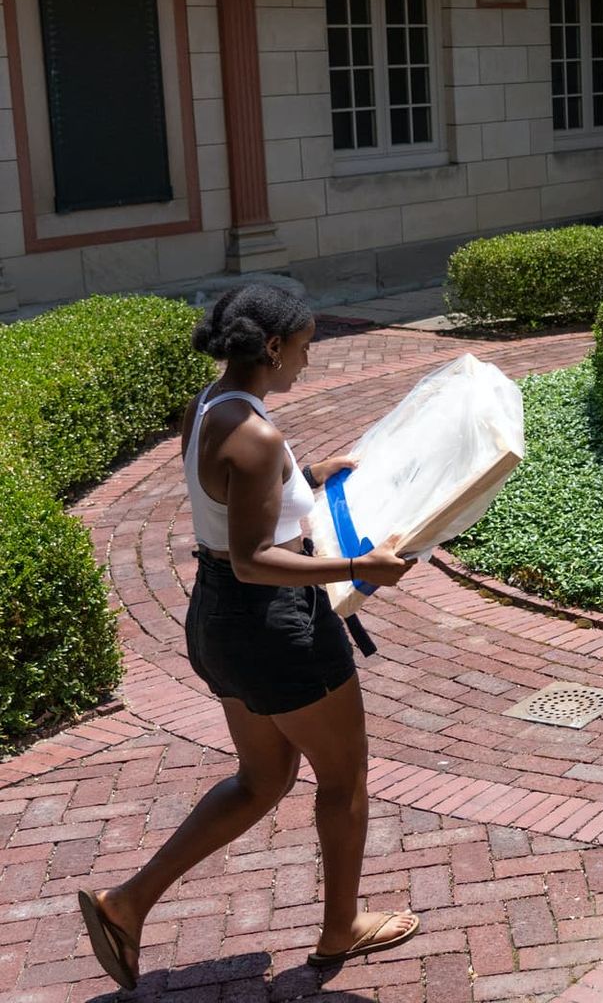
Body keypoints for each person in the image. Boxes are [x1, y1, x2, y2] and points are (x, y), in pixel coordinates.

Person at [79, 286, 420, 991]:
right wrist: (361, 568)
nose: (306, 358)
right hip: (275, 626)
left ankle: (128, 902)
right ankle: (339, 930)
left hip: (217, 622)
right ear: (272, 347)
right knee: (344, 775)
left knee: (263, 779)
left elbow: (227, 499)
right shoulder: (258, 437)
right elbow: (254, 557)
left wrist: (310, 475)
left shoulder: (210, 405)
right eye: (302, 346)